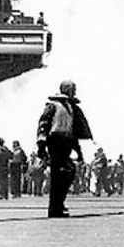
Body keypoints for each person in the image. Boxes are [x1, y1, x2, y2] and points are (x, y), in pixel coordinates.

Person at [36, 80, 93, 218]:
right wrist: (41, 145)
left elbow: (73, 131)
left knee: (68, 172)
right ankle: (55, 207)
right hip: (55, 141)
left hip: (66, 142)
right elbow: (43, 124)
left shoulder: (71, 108)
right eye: (72, 89)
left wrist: (78, 151)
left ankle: (58, 204)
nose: (74, 92)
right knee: (59, 174)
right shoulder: (53, 105)